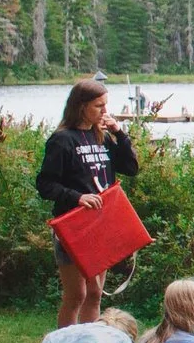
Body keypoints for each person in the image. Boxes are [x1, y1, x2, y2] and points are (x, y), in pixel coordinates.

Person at [35, 77, 141, 329]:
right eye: (98, 106)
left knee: (94, 293)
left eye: (106, 105)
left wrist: (118, 132)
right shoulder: (62, 140)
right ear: (80, 106)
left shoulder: (101, 137)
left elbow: (131, 168)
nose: (105, 111)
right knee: (76, 294)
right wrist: (77, 197)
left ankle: (89, 341)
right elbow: (45, 185)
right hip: (74, 224)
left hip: (100, 223)